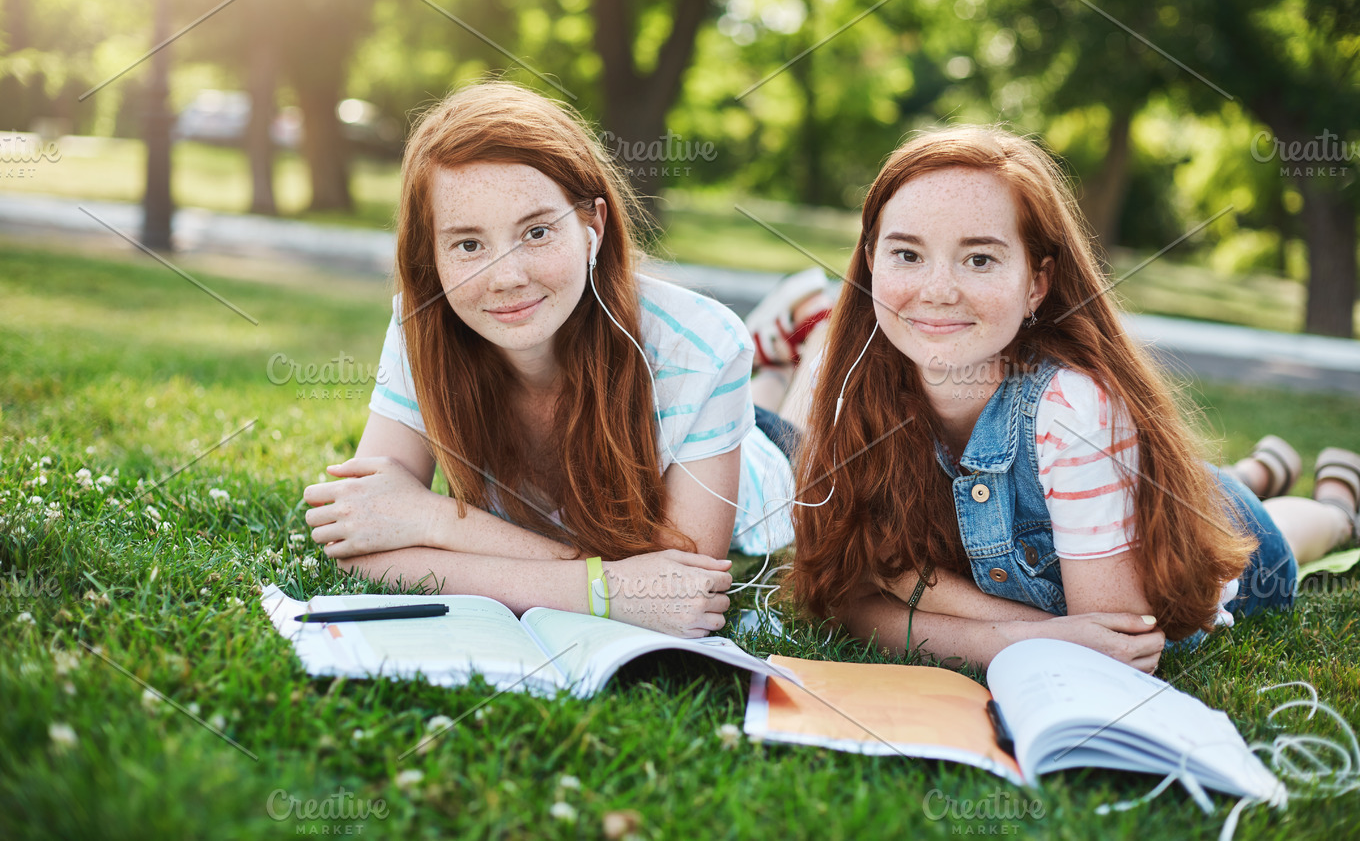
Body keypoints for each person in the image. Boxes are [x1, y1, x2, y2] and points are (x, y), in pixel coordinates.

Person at [787, 126, 1360, 674]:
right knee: (1206, 483)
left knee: (1275, 534)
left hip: (1204, 529)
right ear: (869, 262)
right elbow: (848, 603)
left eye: (980, 259)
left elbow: (1112, 641)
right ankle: (1264, 467)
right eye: (907, 255)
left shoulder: (1073, 411)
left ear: (1036, 283)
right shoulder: (849, 388)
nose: (937, 290)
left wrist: (919, 588)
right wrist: (1013, 635)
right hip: (1104, 495)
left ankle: (1335, 503)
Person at [301, 82, 793, 638]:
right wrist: (601, 591)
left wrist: (433, 519)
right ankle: (776, 360)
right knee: (763, 388)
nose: (507, 277)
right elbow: (358, 547)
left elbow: (682, 590)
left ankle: (794, 353)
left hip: (767, 459)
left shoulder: (704, 345)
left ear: (593, 228)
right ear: (431, 256)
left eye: (536, 232)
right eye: (468, 245)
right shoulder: (424, 323)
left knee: (794, 417)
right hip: (700, 419)